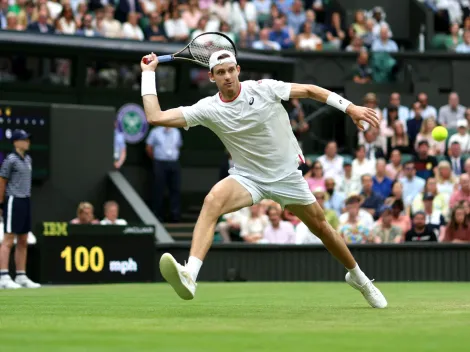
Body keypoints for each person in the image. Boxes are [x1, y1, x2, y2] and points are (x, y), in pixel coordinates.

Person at [140, 50, 387, 308]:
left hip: (286, 177)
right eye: (220, 72)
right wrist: (148, 74)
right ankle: (190, 274)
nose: (227, 76)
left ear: (238, 70)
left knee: (323, 229)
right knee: (212, 200)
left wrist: (350, 108)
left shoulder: (265, 89)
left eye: (230, 70)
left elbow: (311, 91)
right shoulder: (209, 108)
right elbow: (155, 117)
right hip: (248, 178)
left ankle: (359, 279)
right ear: (212, 77)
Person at [0, 130, 40, 289]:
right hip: (12, 200)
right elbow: (2, 182)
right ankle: (3, 276)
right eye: (24, 140)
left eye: (28, 140)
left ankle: (21, 275)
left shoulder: (28, 159)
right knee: (9, 239)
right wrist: (0, 203)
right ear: (16, 142)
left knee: (23, 240)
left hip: (25, 201)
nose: (27, 142)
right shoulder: (10, 160)